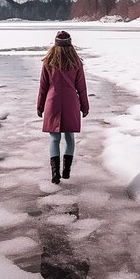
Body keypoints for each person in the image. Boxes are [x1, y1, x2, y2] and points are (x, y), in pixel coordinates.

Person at [37, 30, 90, 184]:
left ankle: (55, 174)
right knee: (69, 137)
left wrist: (40, 106)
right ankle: (66, 171)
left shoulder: (48, 62)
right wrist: (84, 106)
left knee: (54, 138)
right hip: (71, 102)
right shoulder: (76, 63)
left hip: (52, 101)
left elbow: (43, 87)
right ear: (70, 44)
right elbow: (82, 88)